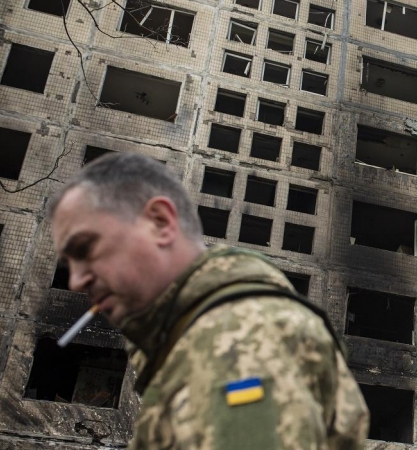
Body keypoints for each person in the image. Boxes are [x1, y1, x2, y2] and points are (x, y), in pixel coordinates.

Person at [48, 153, 369, 449]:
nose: (77, 280)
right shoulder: (197, 340)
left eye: (85, 249)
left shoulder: (235, 339)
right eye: (69, 265)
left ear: (159, 222)